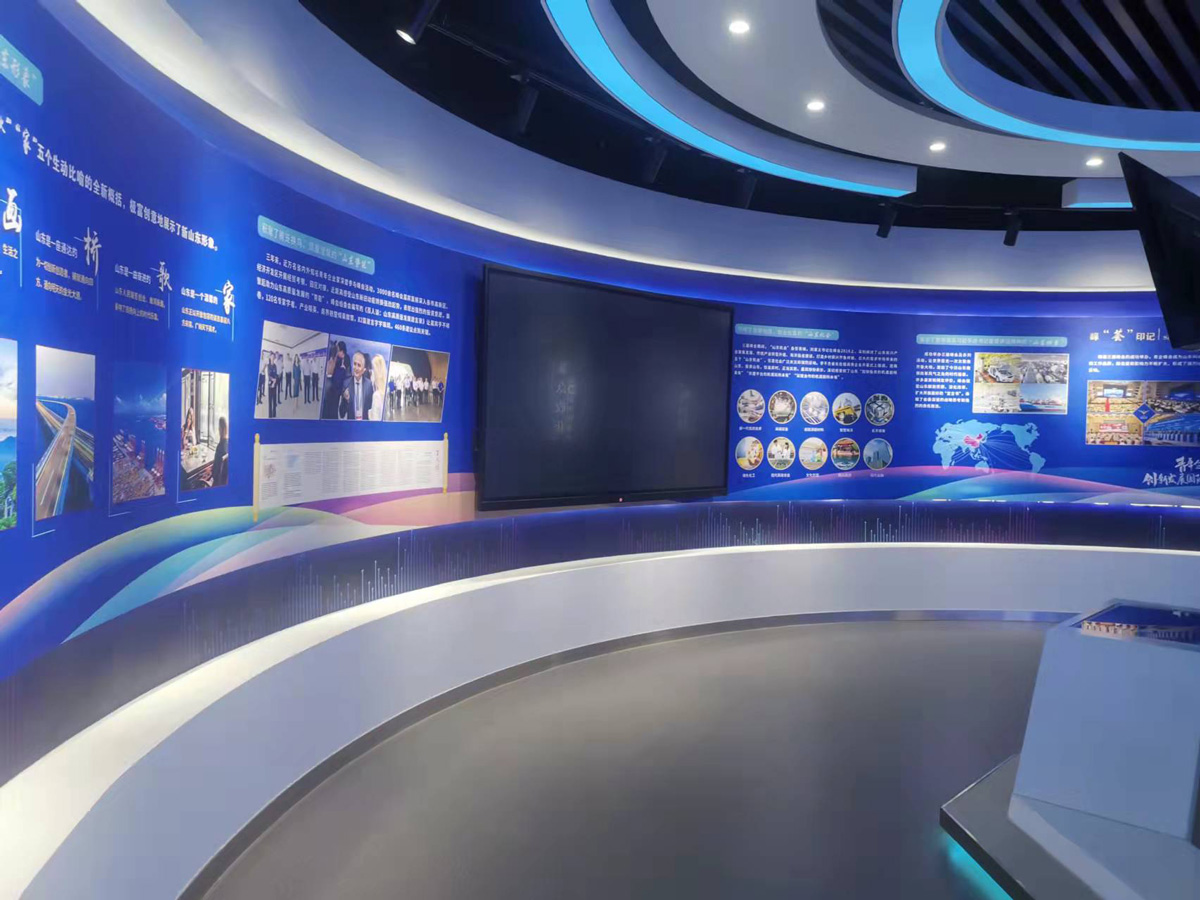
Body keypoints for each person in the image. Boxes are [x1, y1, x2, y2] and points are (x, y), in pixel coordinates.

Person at [339, 351, 374, 420]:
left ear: (364, 370)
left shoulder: (369, 385)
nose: (356, 368)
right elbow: (341, 414)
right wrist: (346, 400)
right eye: (354, 364)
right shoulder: (346, 384)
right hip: (352, 424)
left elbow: (370, 407)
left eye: (359, 365)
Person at [322, 341, 348, 419]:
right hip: (333, 394)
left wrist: (330, 376)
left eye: (338, 350)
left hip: (336, 395)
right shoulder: (336, 361)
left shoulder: (343, 365)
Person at [369, 354, 388, 421]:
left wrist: (370, 414)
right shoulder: (386, 391)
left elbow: (375, 423)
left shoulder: (376, 395)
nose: (371, 372)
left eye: (373, 369)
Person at [211, 416, 229, 487]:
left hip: (217, 483)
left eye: (219, 427)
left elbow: (215, 473)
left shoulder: (220, 446)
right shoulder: (228, 443)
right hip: (224, 482)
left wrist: (210, 473)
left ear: (220, 429)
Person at [267, 354, 279, 418]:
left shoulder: (275, 366)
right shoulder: (268, 366)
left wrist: (274, 381)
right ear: (270, 357)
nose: (272, 358)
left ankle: (274, 414)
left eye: (273, 357)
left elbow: (276, 374)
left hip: (274, 384)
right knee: (270, 400)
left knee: (274, 399)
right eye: (271, 357)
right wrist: (273, 380)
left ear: (274, 358)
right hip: (270, 384)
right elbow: (268, 375)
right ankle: (270, 415)